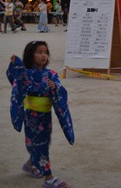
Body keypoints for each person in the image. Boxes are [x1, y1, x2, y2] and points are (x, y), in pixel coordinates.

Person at [7, 41, 74, 188]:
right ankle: (48, 178)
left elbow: (60, 90)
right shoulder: (27, 74)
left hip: (45, 116)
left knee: (42, 142)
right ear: (31, 55)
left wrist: (55, 86)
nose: (43, 55)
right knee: (39, 144)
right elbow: (16, 80)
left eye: (45, 52)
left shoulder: (51, 74)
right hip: (31, 116)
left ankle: (31, 163)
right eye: (39, 52)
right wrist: (15, 65)